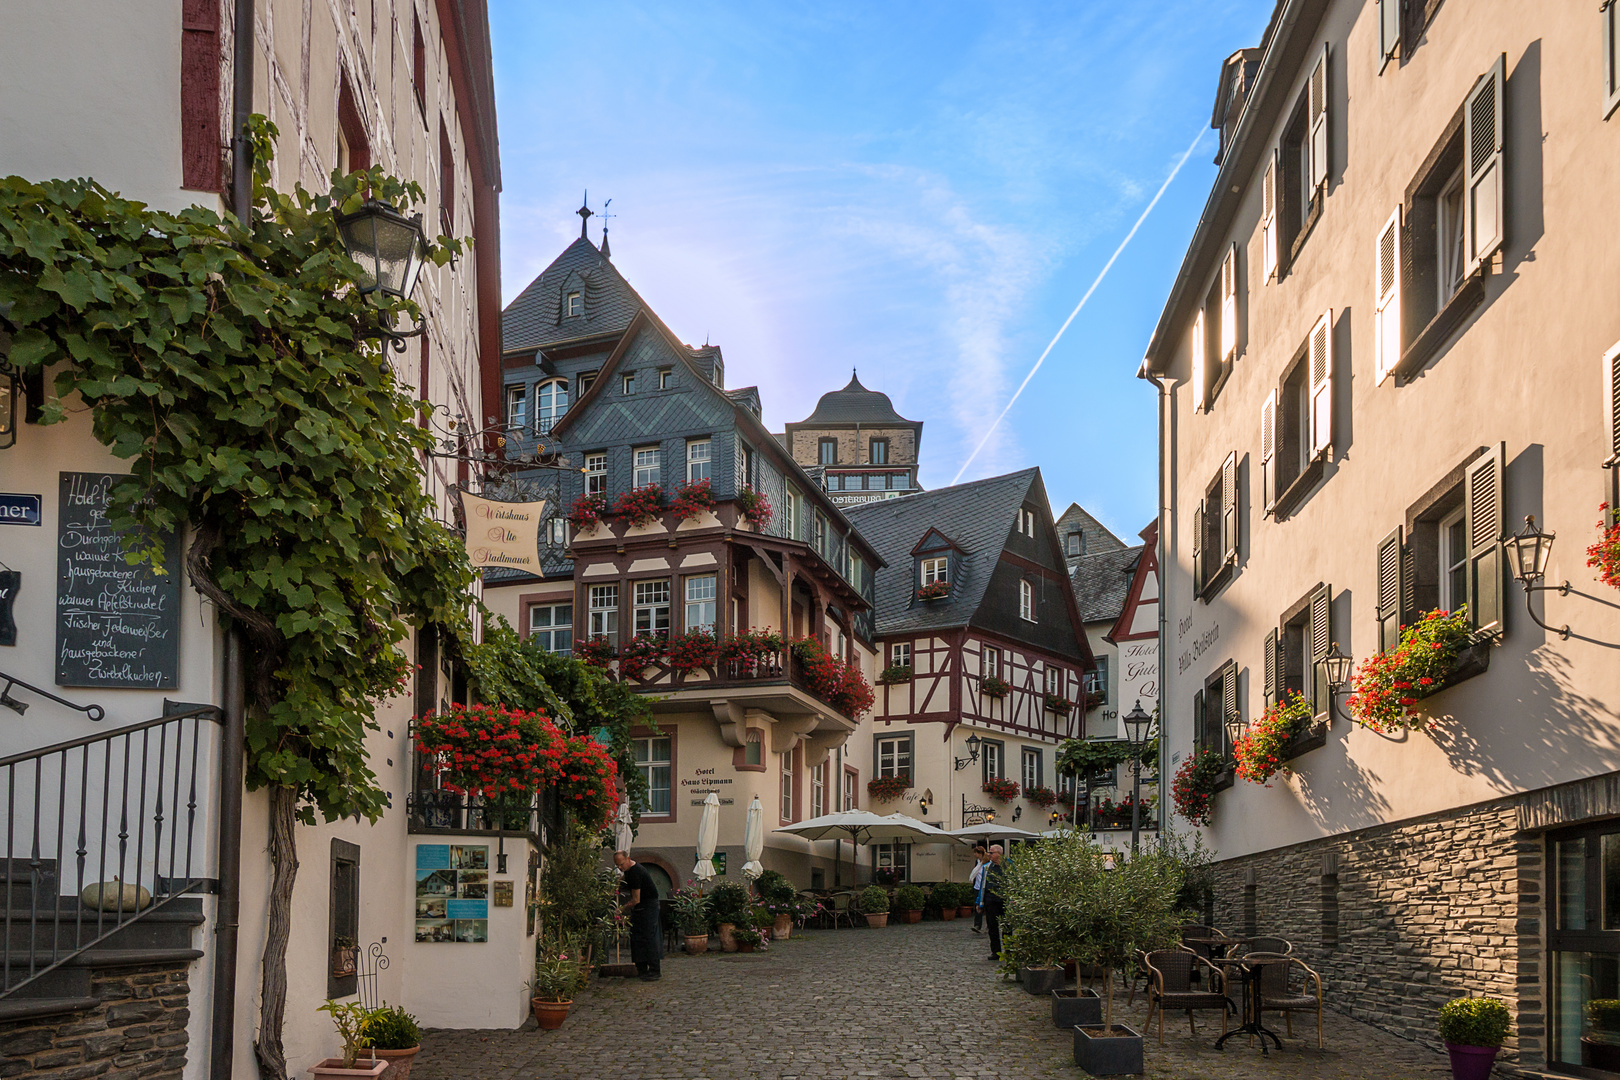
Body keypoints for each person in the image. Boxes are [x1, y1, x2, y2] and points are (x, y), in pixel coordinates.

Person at [613, 851, 662, 981]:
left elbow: (636, 900)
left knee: (648, 937)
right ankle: (640, 968)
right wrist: (616, 885)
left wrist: (621, 909)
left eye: (621, 864)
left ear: (628, 859)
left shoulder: (636, 872)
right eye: (617, 865)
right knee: (636, 937)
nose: (620, 868)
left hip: (648, 906)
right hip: (641, 907)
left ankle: (654, 970)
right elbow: (623, 879)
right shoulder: (629, 870)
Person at [978, 844, 1007, 962]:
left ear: (998, 854)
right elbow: (982, 886)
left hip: (1005, 900)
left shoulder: (1008, 865)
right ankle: (996, 951)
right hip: (990, 900)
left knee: (1007, 927)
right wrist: (980, 903)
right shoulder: (987, 867)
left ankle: (1008, 951)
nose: (989, 855)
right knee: (992, 927)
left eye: (991, 852)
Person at [967, 845, 989, 933]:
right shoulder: (978, 862)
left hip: (984, 888)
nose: (974, 854)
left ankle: (989, 925)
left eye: (975, 853)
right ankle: (977, 925)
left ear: (979, 853)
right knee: (977, 907)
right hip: (977, 887)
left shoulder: (987, 863)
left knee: (987, 907)